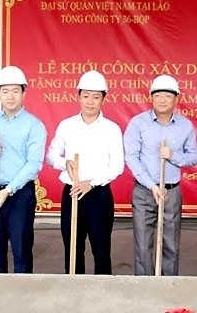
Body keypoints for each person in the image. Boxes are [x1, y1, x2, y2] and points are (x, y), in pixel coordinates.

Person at [0, 65, 47, 273]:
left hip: (20, 194)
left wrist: (9, 189)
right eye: (5, 91)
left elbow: (33, 164)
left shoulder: (34, 125)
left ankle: (22, 295)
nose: (10, 96)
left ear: (24, 93)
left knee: (21, 248)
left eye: (15, 91)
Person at [47, 71, 124, 274]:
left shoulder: (111, 129)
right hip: (71, 193)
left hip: (99, 196)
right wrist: (65, 163)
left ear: (103, 99)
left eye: (96, 96)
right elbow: (51, 155)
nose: (90, 101)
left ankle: (102, 297)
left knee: (101, 250)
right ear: (78, 96)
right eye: (86, 95)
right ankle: (74, 296)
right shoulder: (67, 125)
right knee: (72, 250)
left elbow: (117, 165)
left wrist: (91, 182)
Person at [124, 74, 197, 276]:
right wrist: (151, 185)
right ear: (151, 97)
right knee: (143, 243)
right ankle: (145, 286)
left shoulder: (185, 126)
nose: (162, 99)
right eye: (158, 95)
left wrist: (173, 156)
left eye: (168, 95)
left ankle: (169, 287)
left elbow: (194, 157)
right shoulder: (138, 123)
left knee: (171, 244)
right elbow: (131, 158)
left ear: (176, 99)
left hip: (171, 191)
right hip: (144, 190)